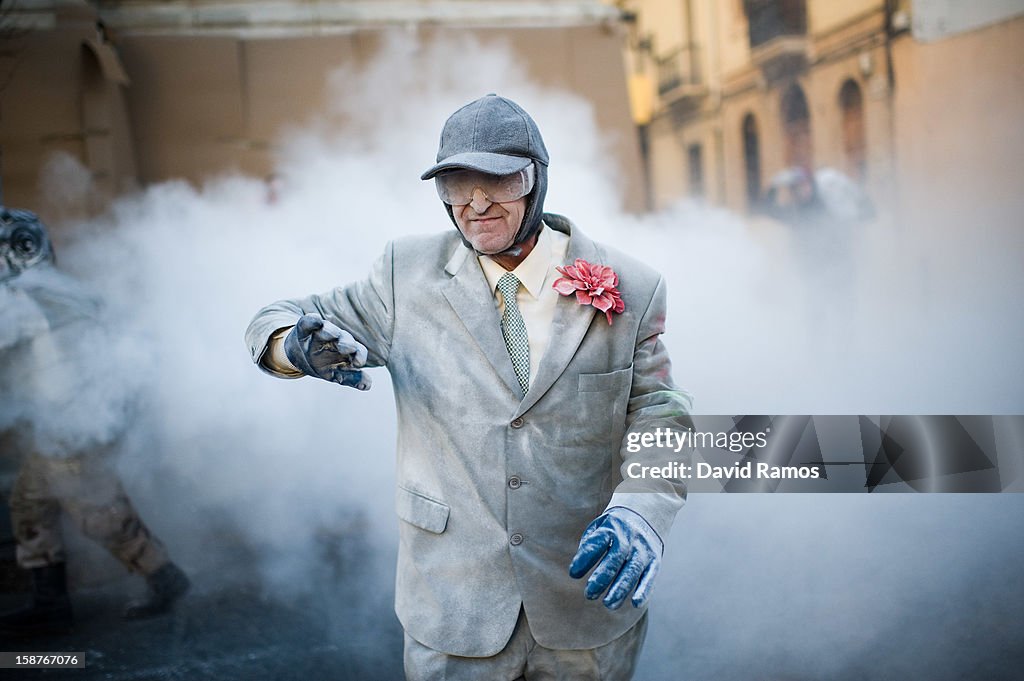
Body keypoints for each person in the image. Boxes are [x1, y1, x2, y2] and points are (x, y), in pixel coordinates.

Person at [245, 94, 691, 679]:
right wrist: (293, 347)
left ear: (536, 180)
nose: (476, 203)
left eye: (497, 181)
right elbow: (273, 317)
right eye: (456, 184)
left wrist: (643, 512)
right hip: (454, 607)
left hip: (586, 610)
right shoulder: (406, 275)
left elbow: (662, 414)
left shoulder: (632, 286)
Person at [0, 207, 189, 637]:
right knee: (31, 500)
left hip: (75, 416)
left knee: (94, 508)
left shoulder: (27, 295)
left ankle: (163, 576)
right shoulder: (48, 283)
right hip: (72, 413)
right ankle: (50, 604)